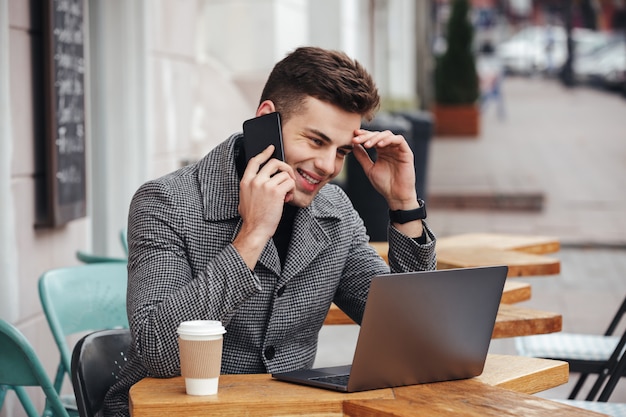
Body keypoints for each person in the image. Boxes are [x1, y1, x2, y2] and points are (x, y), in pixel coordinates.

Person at [103, 46, 436, 417]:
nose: (328, 166)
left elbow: (412, 336)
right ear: (267, 120)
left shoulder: (335, 212)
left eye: (341, 151)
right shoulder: (167, 202)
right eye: (315, 140)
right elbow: (160, 353)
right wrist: (252, 236)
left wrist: (404, 204)